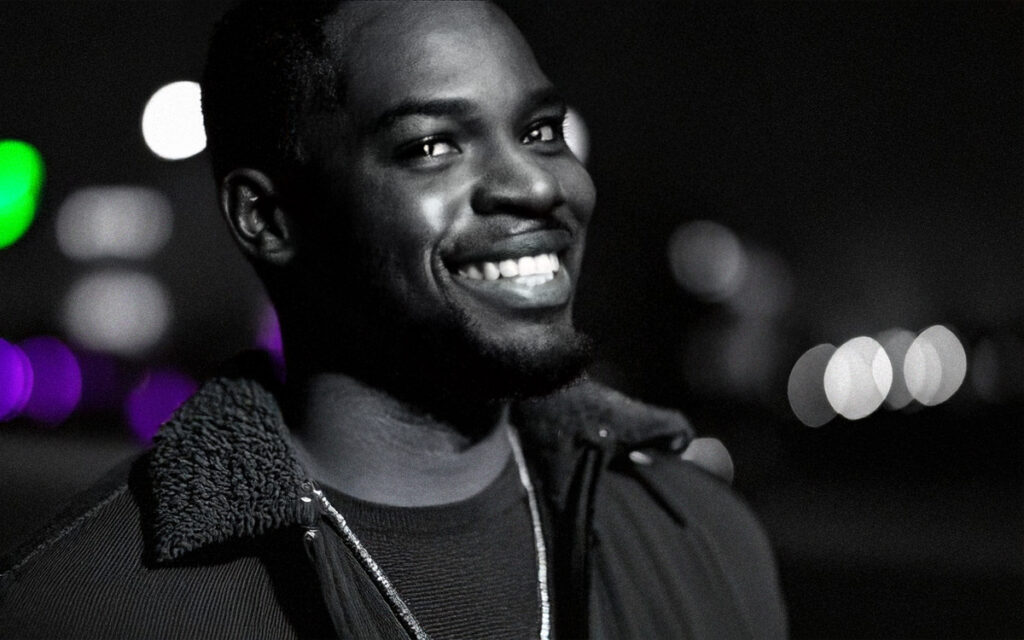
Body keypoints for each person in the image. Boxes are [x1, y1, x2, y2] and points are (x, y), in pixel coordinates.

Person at [0, 2, 786, 638]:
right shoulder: (88, 605)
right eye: (435, 145)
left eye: (541, 131)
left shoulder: (705, 538)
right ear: (268, 219)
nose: (539, 187)